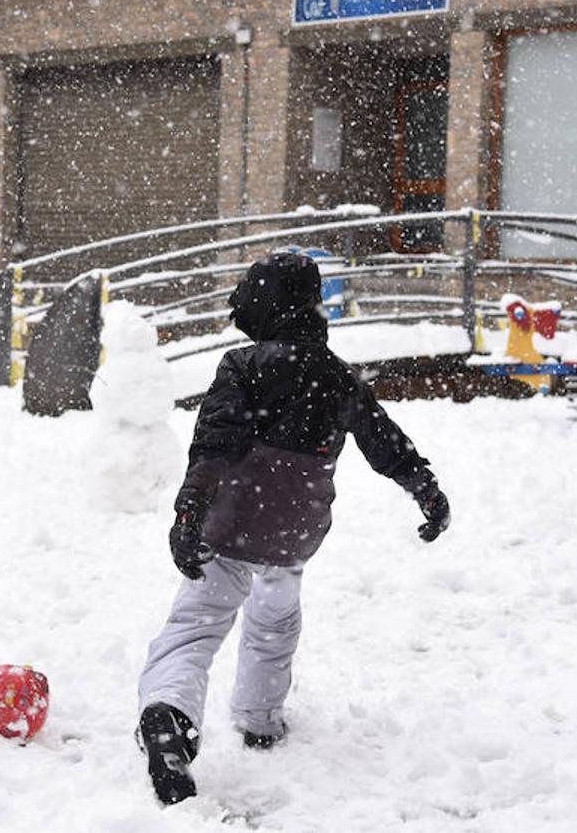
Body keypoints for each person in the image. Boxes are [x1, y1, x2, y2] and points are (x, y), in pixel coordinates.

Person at [135, 251, 451, 805]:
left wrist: (189, 513)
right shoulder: (336, 375)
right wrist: (423, 487)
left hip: (230, 522)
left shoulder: (242, 366)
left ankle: (171, 715)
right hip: (291, 531)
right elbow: (383, 440)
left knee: (197, 623)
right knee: (274, 623)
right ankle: (259, 718)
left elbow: (212, 445)